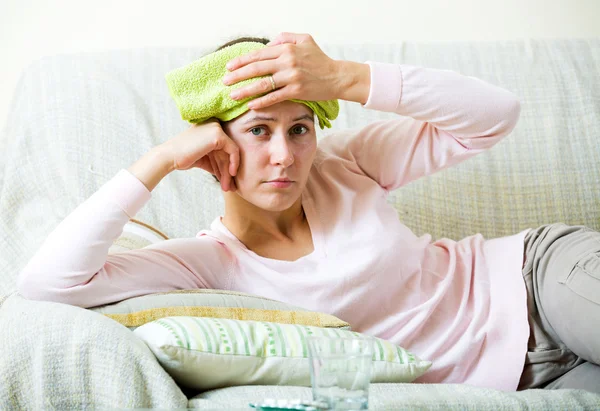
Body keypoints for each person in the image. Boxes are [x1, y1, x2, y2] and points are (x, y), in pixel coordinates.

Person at [16, 32, 600, 394]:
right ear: (213, 145)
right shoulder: (210, 265)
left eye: (300, 128)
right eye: (258, 131)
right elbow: (48, 286)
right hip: (528, 377)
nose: (285, 155)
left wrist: (344, 78)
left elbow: (496, 114)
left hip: (539, 281)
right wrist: (161, 160)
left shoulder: (344, 164)